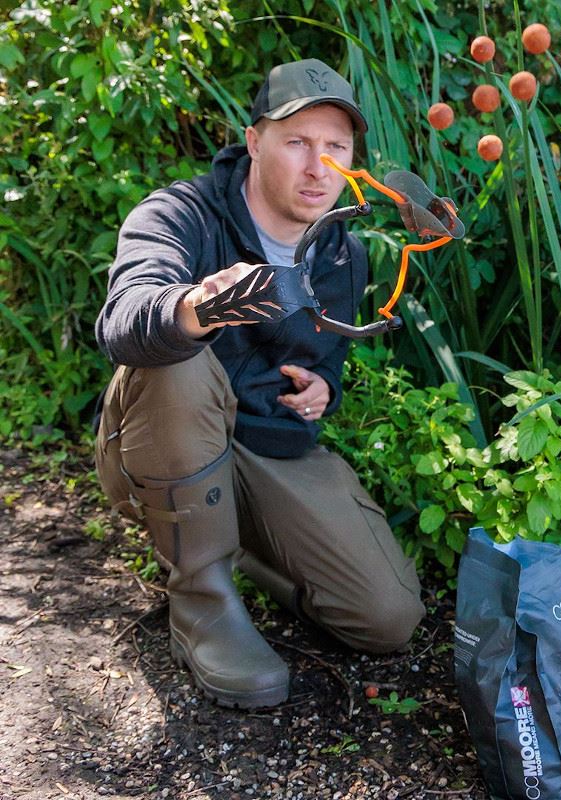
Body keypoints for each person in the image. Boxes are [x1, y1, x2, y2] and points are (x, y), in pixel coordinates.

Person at [94, 58, 425, 709]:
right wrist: (193, 308)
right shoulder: (182, 213)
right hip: (166, 435)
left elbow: (326, 353)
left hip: (269, 444)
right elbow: (125, 320)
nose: (317, 167)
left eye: (336, 147)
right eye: (298, 141)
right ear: (253, 140)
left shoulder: (341, 252)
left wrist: (323, 385)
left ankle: (235, 544)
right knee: (178, 353)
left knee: (388, 617)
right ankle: (202, 602)